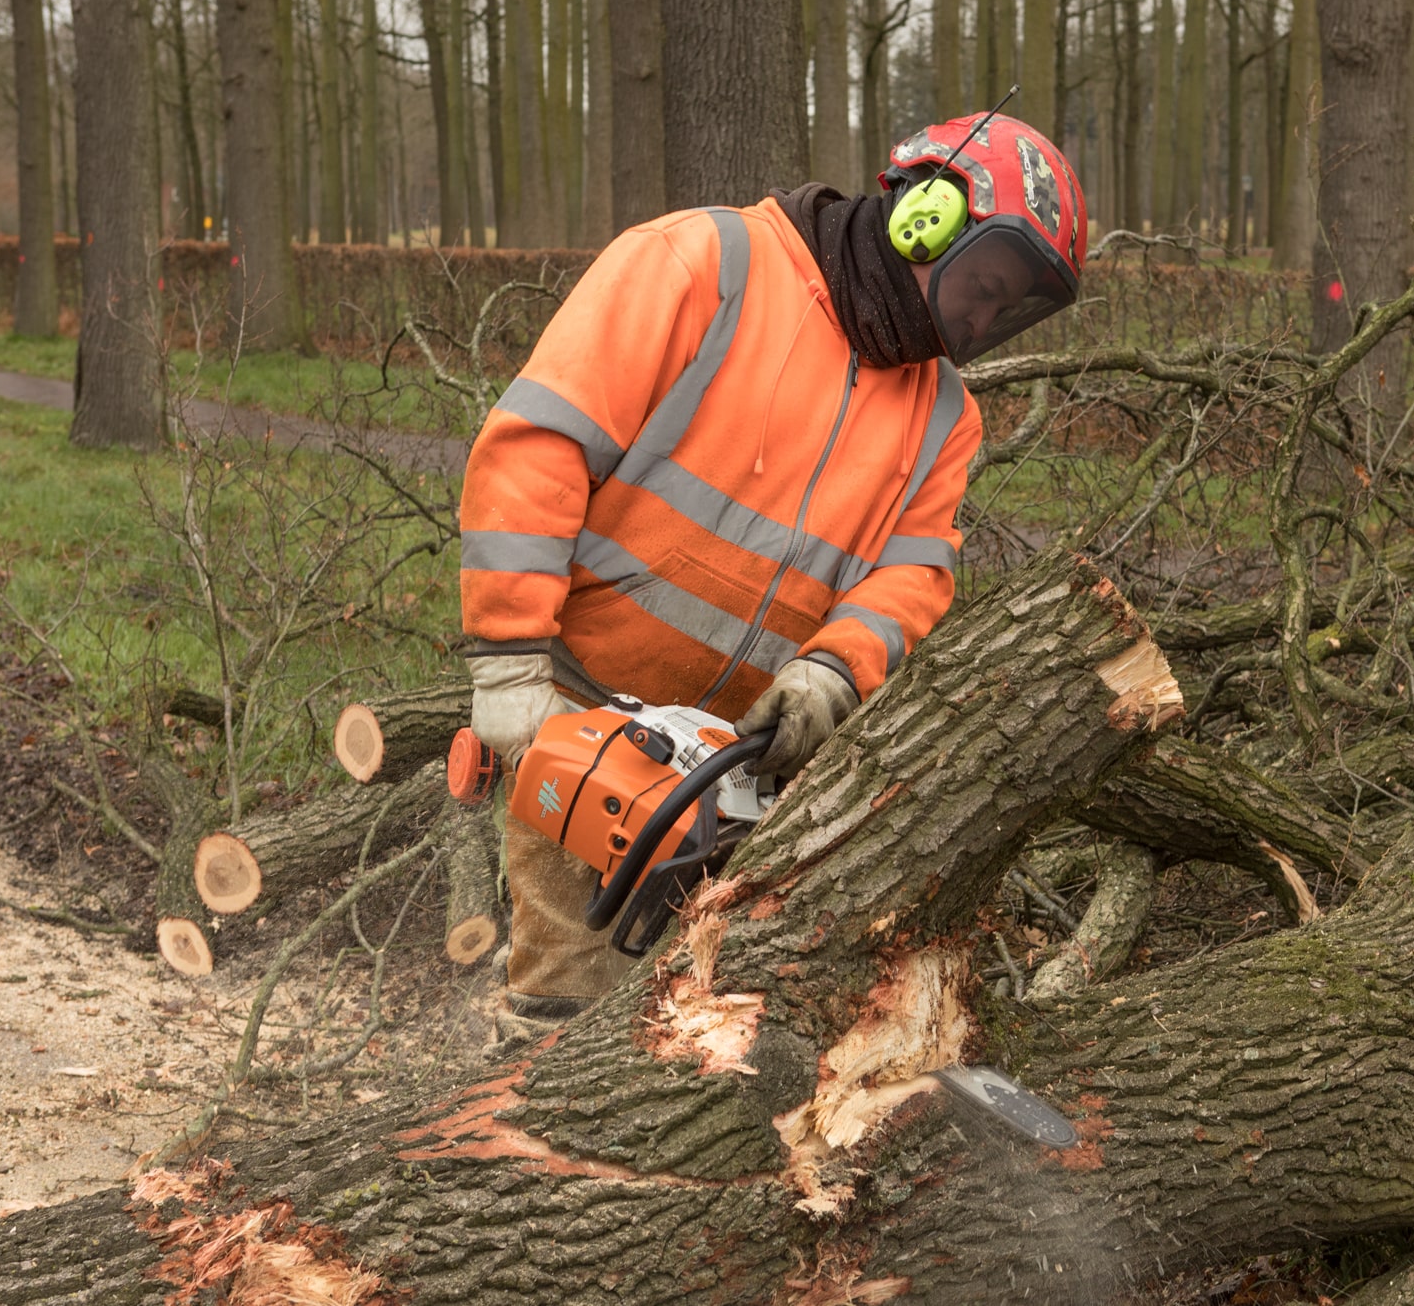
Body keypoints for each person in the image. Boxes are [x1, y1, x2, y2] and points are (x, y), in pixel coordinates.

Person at [458, 112, 1089, 1019]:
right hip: (580, 707)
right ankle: (514, 1143)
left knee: (711, 1024)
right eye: (982, 285)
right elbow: (538, 446)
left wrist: (834, 671)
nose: (981, 318)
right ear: (929, 215)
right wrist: (510, 656)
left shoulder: (945, 418)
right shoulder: (705, 264)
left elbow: (911, 578)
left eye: (1004, 308)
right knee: (568, 1000)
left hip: (742, 762)